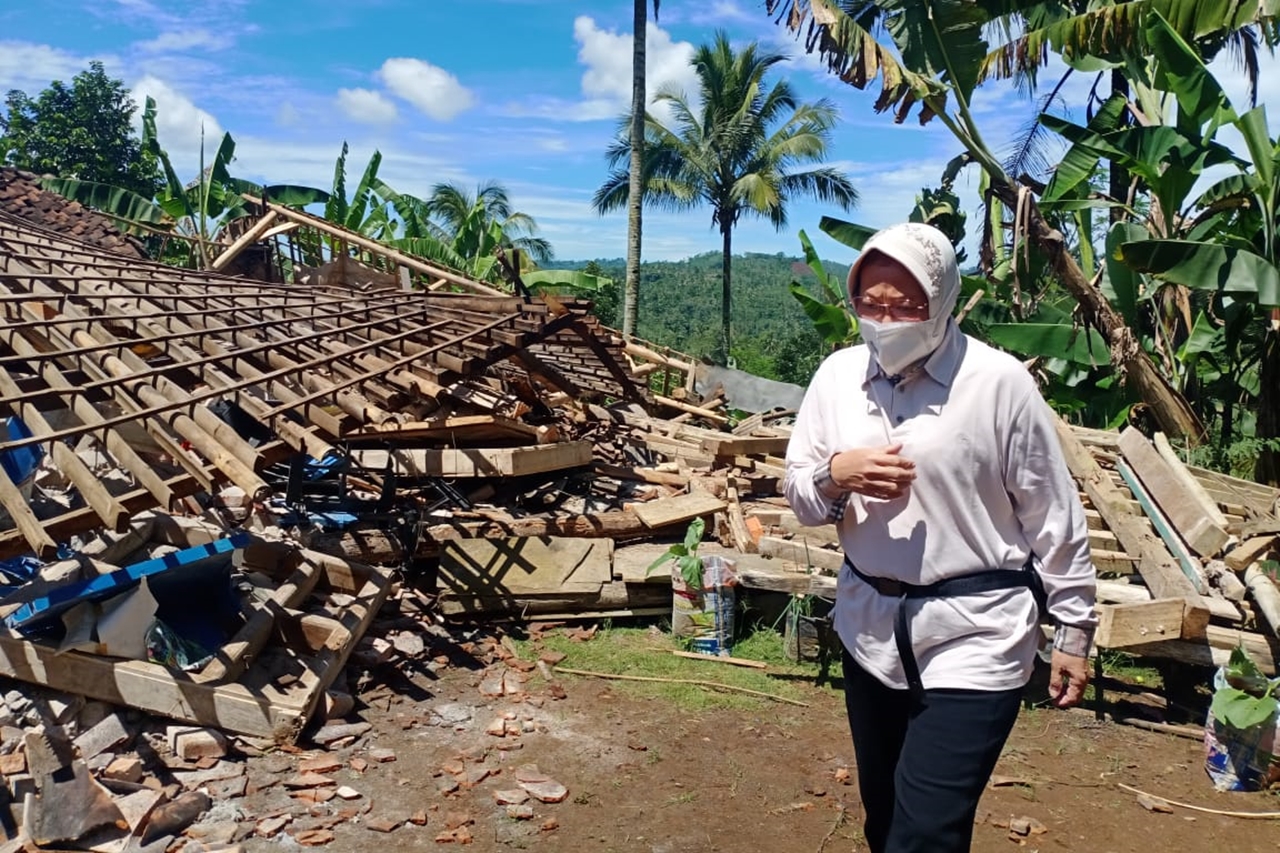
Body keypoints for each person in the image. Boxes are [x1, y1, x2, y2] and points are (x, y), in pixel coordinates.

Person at [783, 223, 1097, 853]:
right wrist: (835, 474)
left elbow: (1052, 513)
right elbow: (802, 498)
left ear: (943, 299)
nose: (885, 318)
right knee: (885, 818)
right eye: (871, 302)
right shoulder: (837, 378)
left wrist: (1074, 628)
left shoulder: (997, 384)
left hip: (976, 630)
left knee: (925, 833)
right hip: (871, 626)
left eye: (905, 304)